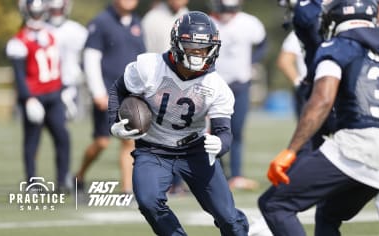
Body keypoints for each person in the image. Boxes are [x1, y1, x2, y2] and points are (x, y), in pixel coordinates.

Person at [258, 1, 379, 235]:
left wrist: (292, 150)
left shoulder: (337, 47)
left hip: (357, 148)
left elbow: (321, 101)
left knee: (275, 204)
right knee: (328, 213)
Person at [108, 11, 249, 235]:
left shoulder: (216, 85)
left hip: (194, 150)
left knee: (228, 217)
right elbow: (119, 88)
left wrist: (220, 144)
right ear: (176, 44)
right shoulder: (149, 66)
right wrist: (114, 120)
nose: (198, 53)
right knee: (148, 201)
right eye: (192, 46)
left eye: (203, 48)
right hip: (153, 150)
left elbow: (224, 131)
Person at [75, 0, 145, 194]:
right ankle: (79, 175)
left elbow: (143, 60)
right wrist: (98, 92)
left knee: (129, 141)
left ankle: (127, 190)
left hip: (131, 94)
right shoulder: (101, 22)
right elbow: (90, 58)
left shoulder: (137, 23)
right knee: (102, 142)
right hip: (107, 94)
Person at [6, 0, 71, 192]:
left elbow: (59, 67)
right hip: (35, 97)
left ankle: (62, 179)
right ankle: (32, 182)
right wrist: (28, 98)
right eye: (33, 13)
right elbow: (19, 75)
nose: (36, 16)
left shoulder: (51, 35)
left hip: (53, 95)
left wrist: (65, 92)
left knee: (63, 137)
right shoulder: (18, 41)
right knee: (32, 140)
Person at [210, 0, 267, 191]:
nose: (227, 13)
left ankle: (236, 175)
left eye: (231, 9)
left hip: (240, 84)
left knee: (236, 131)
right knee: (211, 132)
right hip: (213, 85)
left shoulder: (249, 22)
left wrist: (251, 62)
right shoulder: (209, 23)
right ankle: (216, 174)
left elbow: (262, 43)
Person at [141, 0, 189, 195]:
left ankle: (178, 182)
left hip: (186, 80)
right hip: (160, 80)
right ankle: (163, 181)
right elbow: (147, 53)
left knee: (184, 132)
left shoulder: (190, 16)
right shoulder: (151, 19)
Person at [47, 0, 88, 120]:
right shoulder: (44, 29)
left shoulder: (76, 29)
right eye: (53, 10)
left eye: (58, 10)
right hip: (49, 84)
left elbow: (89, 52)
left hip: (72, 82)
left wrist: (83, 69)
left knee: (76, 119)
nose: (56, 13)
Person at [276, 30, 307, 117]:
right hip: (311, 90)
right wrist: (300, 84)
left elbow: (284, 61)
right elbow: (284, 62)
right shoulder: (298, 34)